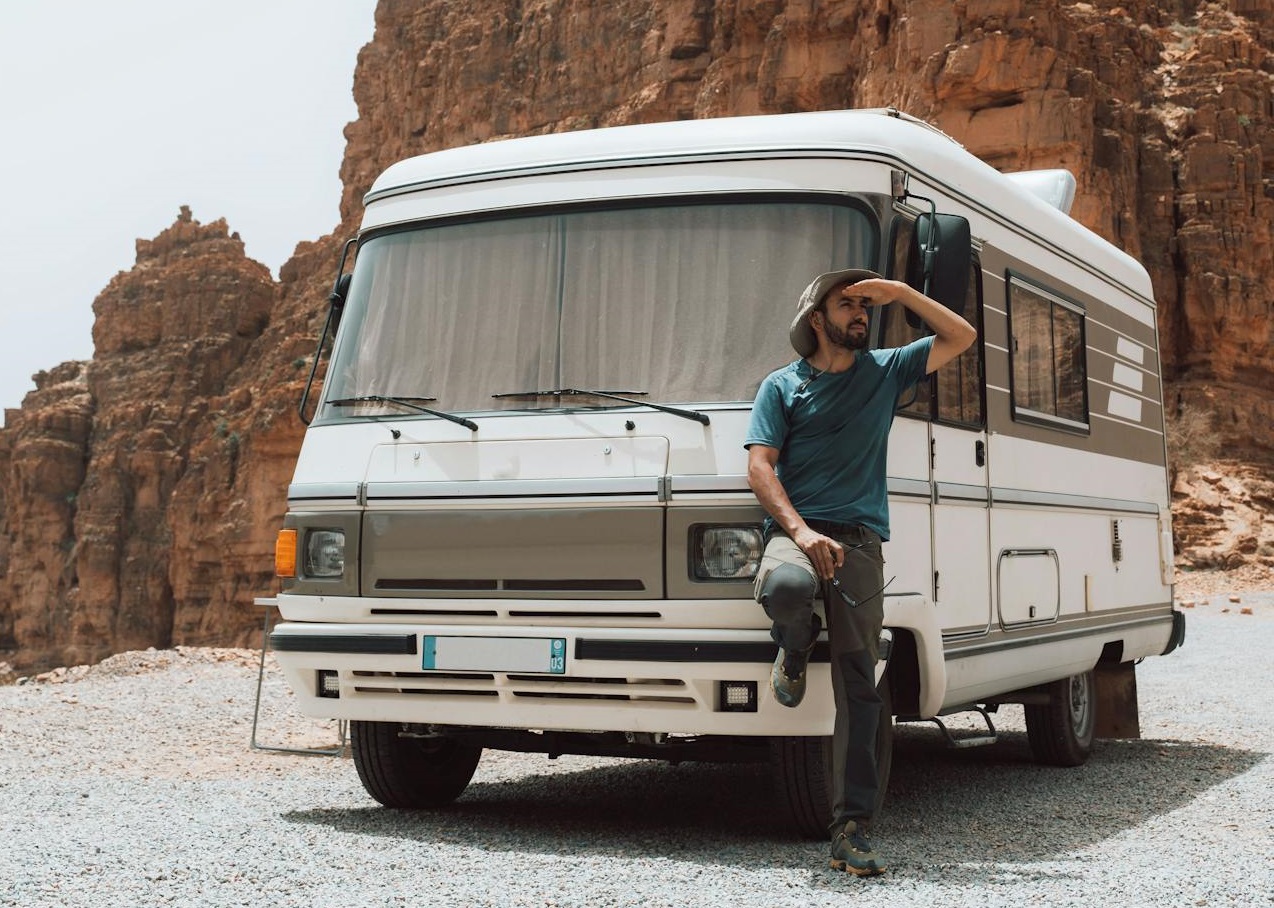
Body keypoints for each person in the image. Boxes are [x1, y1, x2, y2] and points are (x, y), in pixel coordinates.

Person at [745, 267, 976, 876]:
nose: (860, 314)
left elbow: (961, 337)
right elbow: (760, 467)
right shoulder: (782, 386)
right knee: (787, 587)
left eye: (864, 305)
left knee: (860, 687)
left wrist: (901, 294)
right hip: (797, 535)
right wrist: (801, 532)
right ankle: (794, 646)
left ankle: (851, 828)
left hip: (861, 546)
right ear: (816, 319)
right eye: (846, 305)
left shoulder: (885, 371)